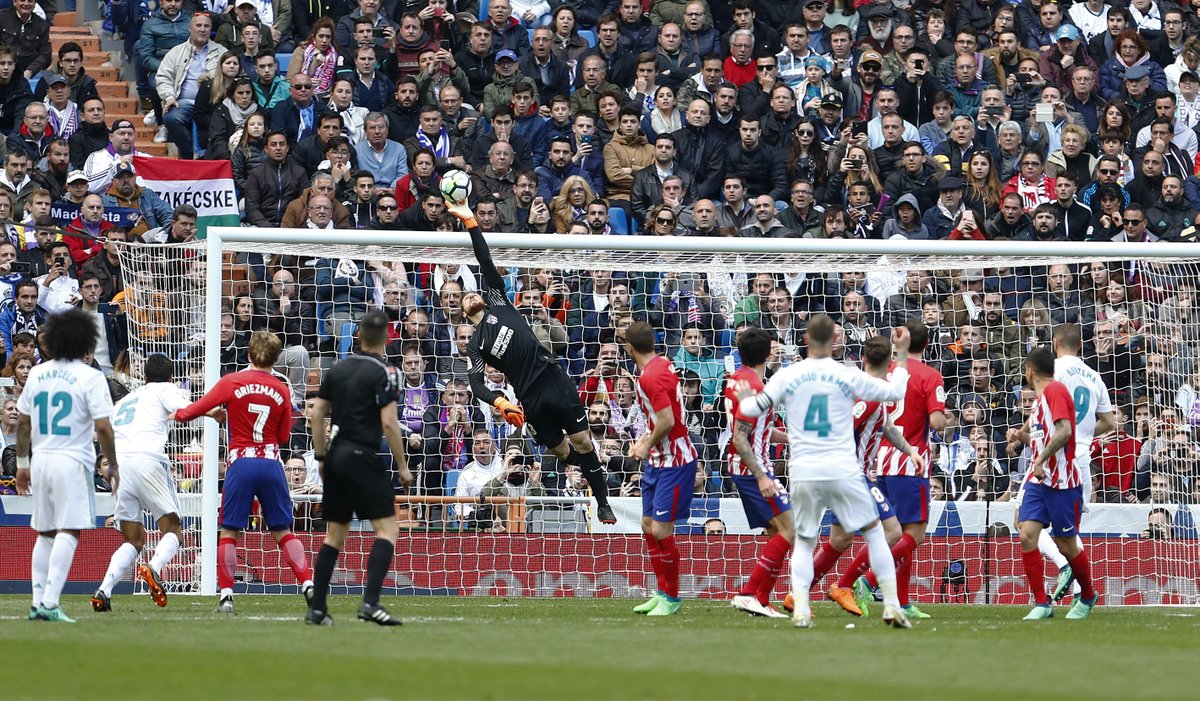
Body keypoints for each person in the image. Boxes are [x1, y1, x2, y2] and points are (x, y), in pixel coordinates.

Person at [733, 314, 913, 629]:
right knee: (875, 533)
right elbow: (896, 391)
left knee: (805, 541)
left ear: (805, 339)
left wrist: (747, 400)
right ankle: (892, 606)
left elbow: (750, 410)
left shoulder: (788, 375)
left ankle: (801, 609)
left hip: (804, 469)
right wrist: (902, 354)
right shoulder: (847, 374)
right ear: (833, 340)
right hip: (843, 467)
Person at [444, 197, 616, 524]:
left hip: (552, 378)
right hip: (529, 398)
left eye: (471, 292)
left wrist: (470, 221)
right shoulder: (476, 345)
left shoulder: (499, 303)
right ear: (463, 314)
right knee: (562, 453)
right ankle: (593, 466)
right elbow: (476, 384)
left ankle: (603, 500)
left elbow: (484, 259)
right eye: (465, 299)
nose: (470, 295)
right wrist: (500, 402)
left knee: (582, 441)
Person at [173, 330, 314, 614]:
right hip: (271, 463)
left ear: (249, 354)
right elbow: (284, 436)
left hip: (241, 463)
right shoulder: (281, 389)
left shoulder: (232, 381)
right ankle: (308, 584)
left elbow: (193, 411)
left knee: (229, 531)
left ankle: (226, 596)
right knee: (283, 531)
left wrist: (176, 414)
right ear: (276, 359)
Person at [305, 310, 413, 626]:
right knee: (388, 529)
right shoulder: (387, 372)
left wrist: (321, 457)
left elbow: (317, 414)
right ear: (388, 337)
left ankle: (317, 609)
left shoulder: (338, 369)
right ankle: (370, 603)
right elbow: (389, 423)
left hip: (335, 455)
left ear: (359, 336)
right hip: (362, 455)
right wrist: (403, 466)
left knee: (334, 536)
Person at [15, 308, 119, 623]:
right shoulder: (90, 376)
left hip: (41, 458)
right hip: (72, 459)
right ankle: (49, 602)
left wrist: (22, 463)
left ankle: (37, 602)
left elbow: (23, 422)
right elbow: (103, 427)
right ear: (84, 340)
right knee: (69, 529)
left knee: (45, 531)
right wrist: (113, 463)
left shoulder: (37, 373)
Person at [810, 335, 919, 617]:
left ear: (863, 358)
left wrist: (910, 450)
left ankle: (798, 592)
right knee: (893, 531)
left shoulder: (871, 390)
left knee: (840, 540)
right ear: (890, 362)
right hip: (852, 475)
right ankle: (845, 585)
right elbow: (846, 425)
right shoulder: (868, 394)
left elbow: (887, 427)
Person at [845, 318, 946, 620]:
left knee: (897, 533)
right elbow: (938, 422)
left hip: (879, 459)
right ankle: (865, 580)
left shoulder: (888, 371)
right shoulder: (929, 375)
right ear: (927, 344)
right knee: (914, 534)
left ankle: (901, 601)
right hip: (910, 460)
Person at [1017, 324, 1115, 604]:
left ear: (1055, 343)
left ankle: (1067, 572)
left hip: (1054, 458)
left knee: (1030, 524)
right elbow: (1109, 422)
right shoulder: (1095, 376)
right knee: (1068, 532)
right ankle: (1079, 592)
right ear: (1081, 345)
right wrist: (1082, 435)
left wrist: (1024, 434)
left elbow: (1044, 409)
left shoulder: (1052, 371)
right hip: (1081, 458)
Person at [91, 354, 192, 613]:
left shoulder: (126, 399)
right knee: (173, 529)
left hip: (118, 464)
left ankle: (104, 590)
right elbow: (185, 409)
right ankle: (153, 568)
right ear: (171, 377)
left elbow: (103, 431)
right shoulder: (167, 389)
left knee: (133, 539)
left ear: (144, 376)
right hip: (147, 459)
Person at [1006, 346, 1100, 620]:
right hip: (1039, 481)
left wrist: (1040, 459)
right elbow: (1042, 439)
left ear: (1029, 371)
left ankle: (1088, 595)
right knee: (1026, 533)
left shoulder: (1056, 390)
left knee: (1066, 544)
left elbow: (1065, 431)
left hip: (1063, 482)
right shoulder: (1039, 401)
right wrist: (1021, 438)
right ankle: (1041, 603)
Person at [626, 320, 698, 617]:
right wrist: (643, 441)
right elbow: (660, 418)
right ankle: (661, 591)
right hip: (659, 459)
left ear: (629, 347)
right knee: (647, 525)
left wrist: (646, 445)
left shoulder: (650, 377)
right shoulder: (662, 364)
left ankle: (672, 596)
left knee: (660, 529)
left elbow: (667, 421)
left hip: (675, 461)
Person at [725, 327, 792, 619]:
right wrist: (762, 476)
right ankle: (749, 593)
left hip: (749, 465)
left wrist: (790, 438)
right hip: (753, 468)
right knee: (790, 529)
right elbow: (740, 437)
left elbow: (757, 429)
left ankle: (761, 599)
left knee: (777, 531)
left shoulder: (738, 379)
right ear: (767, 354)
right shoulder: (754, 387)